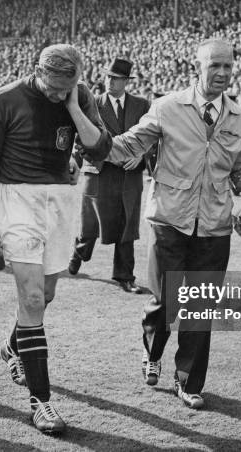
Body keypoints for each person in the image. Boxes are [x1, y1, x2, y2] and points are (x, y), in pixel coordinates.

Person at [106, 38, 241, 409]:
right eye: (215, 65)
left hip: (214, 226)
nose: (223, 73)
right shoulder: (167, 107)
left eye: (228, 66)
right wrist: (94, 144)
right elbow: (130, 144)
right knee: (167, 302)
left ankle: (188, 382)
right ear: (197, 67)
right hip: (169, 220)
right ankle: (153, 350)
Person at [0, 43, 111, 434]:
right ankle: (42, 403)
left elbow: (99, 147)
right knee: (33, 298)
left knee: (45, 296)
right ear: (34, 69)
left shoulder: (80, 96)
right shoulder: (4, 99)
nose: (55, 93)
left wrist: (71, 106)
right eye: (51, 87)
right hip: (15, 197)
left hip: (58, 200)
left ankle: (11, 346)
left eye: (64, 87)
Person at [68, 57, 151, 294]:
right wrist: (90, 156)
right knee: (90, 225)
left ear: (126, 81)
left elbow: (152, 136)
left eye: (115, 78)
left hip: (128, 174)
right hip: (99, 171)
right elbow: (80, 138)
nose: (110, 81)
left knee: (127, 225)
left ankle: (125, 276)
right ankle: (79, 251)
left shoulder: (142, 105)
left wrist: (141, 156)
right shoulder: (92, 103)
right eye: (108, 76)